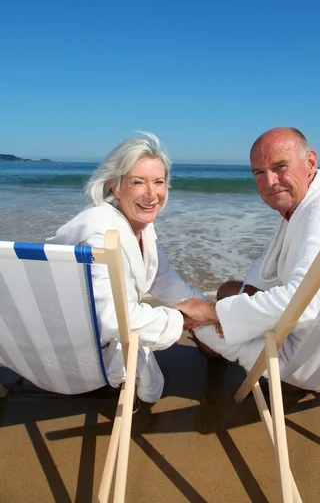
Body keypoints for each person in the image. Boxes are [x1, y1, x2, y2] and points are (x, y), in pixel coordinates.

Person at [174, 127, 320, 377]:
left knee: (194, 319)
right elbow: (273, 274)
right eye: (259, 172)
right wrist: (232, 308)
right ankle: (216, 342)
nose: (269, 182)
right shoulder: (312, 202)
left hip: (308, 360)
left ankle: (211, 357)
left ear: (310, 162)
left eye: (280, 166)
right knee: (228, 291)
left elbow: (306, 302)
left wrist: (212, 313)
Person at [47, 132, 207, 403]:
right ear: (115, 186)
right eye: (137, 182)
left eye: (159, 182)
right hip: (73, 359)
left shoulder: (137, 224)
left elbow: (160, 276)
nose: (151, 194)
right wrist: (180, 320)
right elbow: (109, 318)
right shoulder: (99, 235)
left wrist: (205, 308)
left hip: (57, 342)